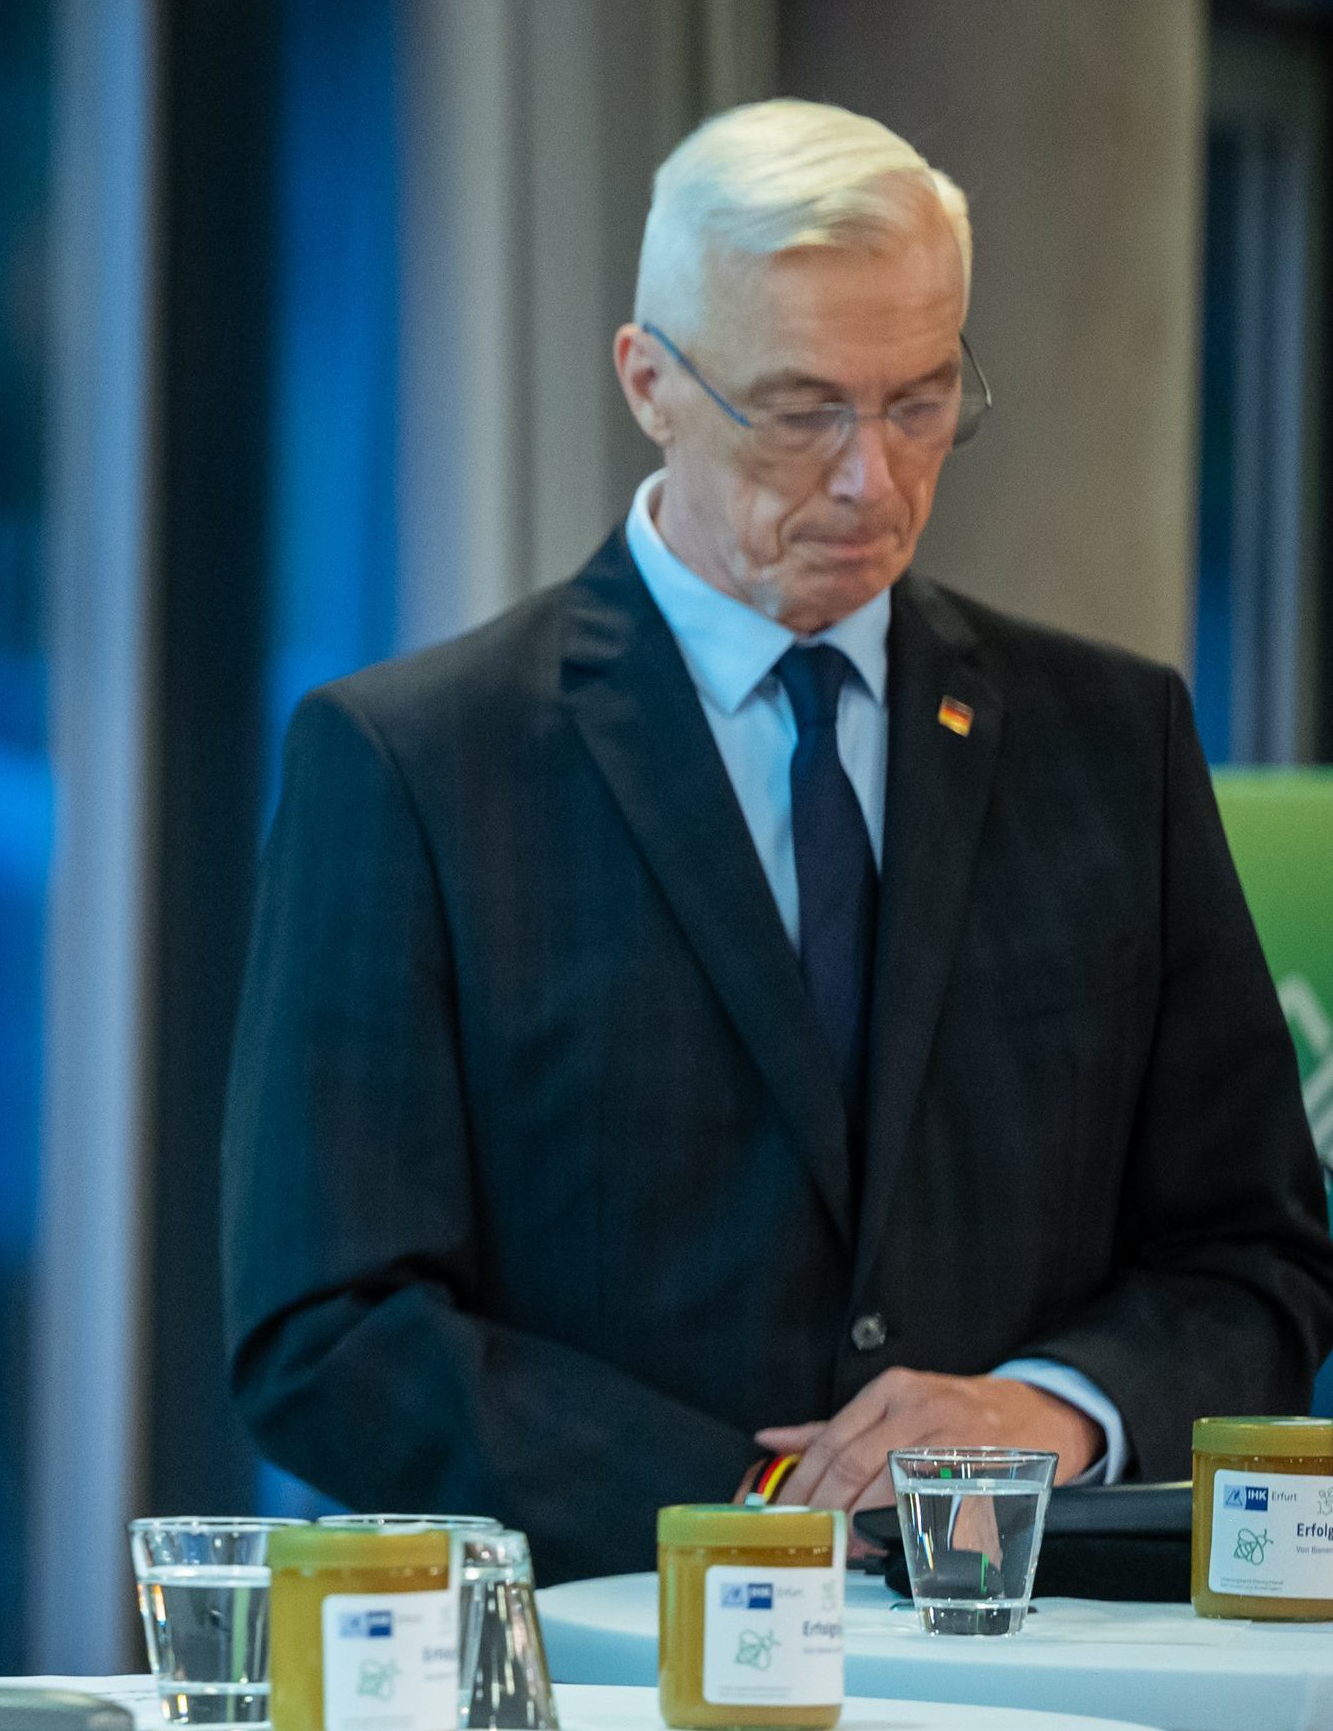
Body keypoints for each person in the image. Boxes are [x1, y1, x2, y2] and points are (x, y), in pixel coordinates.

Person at [223, 97, 1333, 1579]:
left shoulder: (1109, 743)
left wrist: (1051, 1411)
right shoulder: (421, 764)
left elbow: (1258, 1255)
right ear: (649, 383)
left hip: (1035, 1659)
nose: (872, 476)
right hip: (607, 1671)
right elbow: (327, 1328)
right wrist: (760, 1503)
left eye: (920, 403)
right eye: (804, 412)